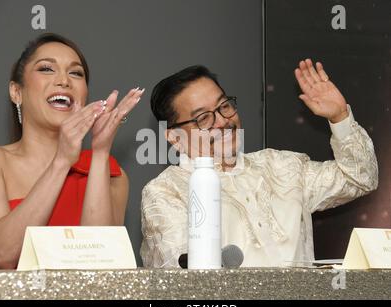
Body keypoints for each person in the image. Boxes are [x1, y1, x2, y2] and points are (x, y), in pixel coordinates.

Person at [140, 61, 378, 268]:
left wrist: (339, 118)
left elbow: (359, 178)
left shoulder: (282, 166)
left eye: (224, 106)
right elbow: (184, 283)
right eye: (203, 118)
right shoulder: (166, 192)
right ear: (173, 137)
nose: (223, 121)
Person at [0, 33, 144, 269]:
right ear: (16, 92)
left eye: (76, 73)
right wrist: (61, 162)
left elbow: (102, 268)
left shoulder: (112, 173)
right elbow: (1, 255)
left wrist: (100, 153)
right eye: (47, 69)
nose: (64, 80)